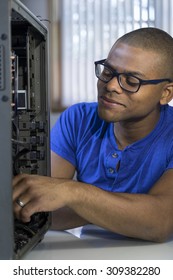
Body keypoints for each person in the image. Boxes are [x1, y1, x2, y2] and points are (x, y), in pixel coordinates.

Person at [13, 27, 173, 242]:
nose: (111, 86)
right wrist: (127, 212)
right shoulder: (78, 119)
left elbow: (160, 222)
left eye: (131, 81)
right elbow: (40, 210)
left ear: (165, 93)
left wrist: (74, 193)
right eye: (108, 72)